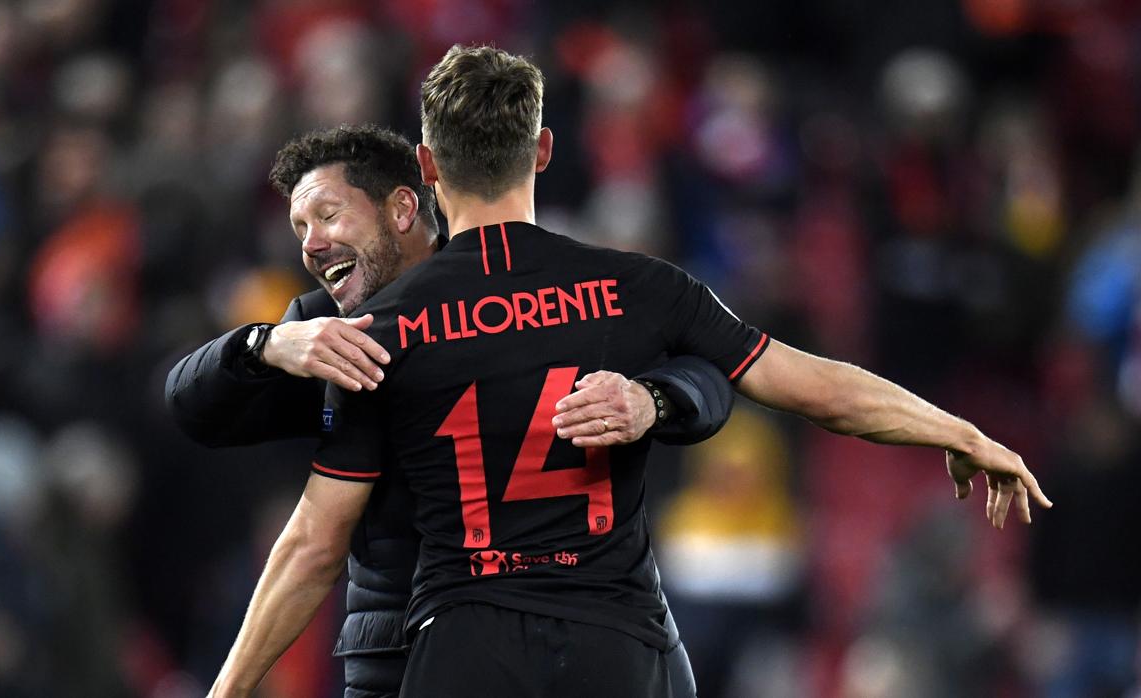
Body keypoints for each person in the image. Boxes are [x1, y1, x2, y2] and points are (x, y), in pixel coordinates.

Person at [209, 47, 1051, 698]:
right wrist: (961, 430)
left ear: (426, 167)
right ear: (541, 149)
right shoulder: (637, 287)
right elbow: (817, 388)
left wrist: (231, 687)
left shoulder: (382, 327)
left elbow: (314, 546)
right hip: (615, 637)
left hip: (463, 642)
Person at [166, 125, 736, 698]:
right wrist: (264, 345)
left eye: (329, 217)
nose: (311, 245)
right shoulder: (330, 334)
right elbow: (193, 409)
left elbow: (713, 371)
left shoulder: (530, 296)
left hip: (563, 627)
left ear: (403, 207)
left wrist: (654, 398)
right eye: (300, 229)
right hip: (400, 646)